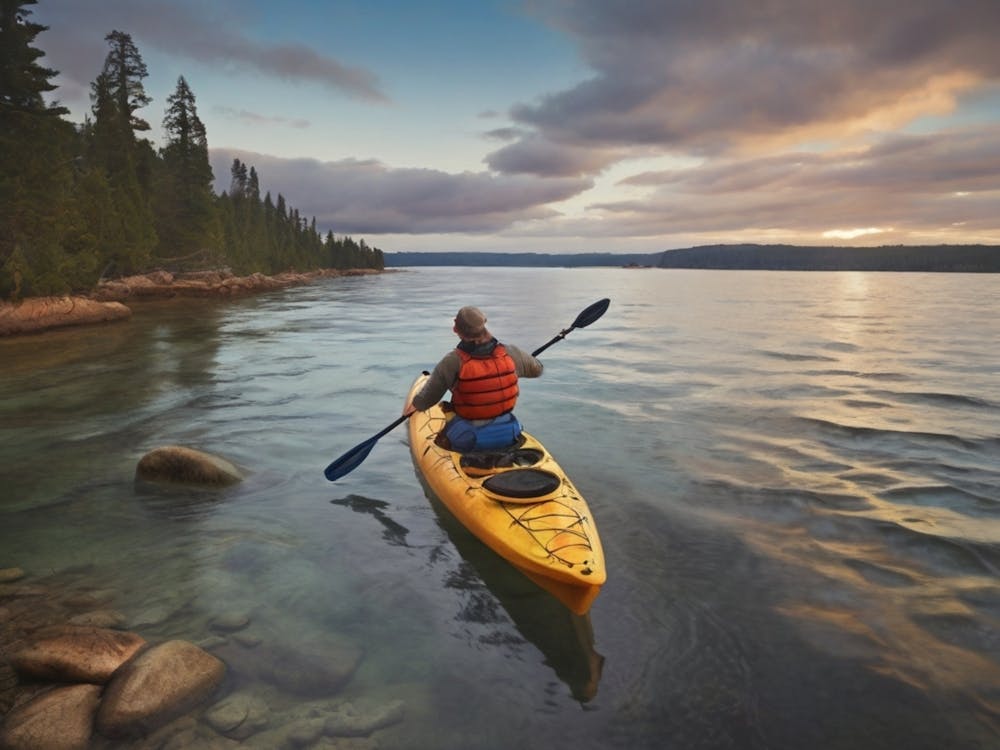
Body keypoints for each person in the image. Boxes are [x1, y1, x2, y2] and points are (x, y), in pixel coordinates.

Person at [407, 306, 543, 451]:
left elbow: (424, 402)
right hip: (510, 432)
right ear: (484, 322)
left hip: (468, 439)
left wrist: (412, 407)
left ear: (455, 328)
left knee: (446, 409)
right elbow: (537, 370)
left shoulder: (452, 361)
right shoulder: (510, 353)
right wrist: (516, 366)